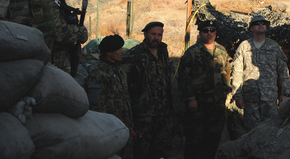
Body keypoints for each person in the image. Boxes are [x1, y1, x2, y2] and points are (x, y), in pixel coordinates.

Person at [177, 19, 232, 159]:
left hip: (216, 103)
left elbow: (226, 71)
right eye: (205, 30)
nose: (209, 33)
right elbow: (183, 77)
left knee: (213, 138)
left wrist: (226, 92)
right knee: (194, 138)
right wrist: (190, 98)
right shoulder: (192, 52)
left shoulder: (221, 51)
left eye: (212, 30)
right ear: (200, 33)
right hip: (198, 103)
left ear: (216, 32)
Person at [230, 15, 290, 131]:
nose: (261, 25)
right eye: (257, 23)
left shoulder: (274, 46)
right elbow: (237, 72)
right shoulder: (244, 46)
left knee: (270, 130)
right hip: (251, 98)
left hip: (270, 99)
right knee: (250, 131)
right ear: (251, 28)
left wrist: (285, 93)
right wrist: (238, 96)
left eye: (263, 23)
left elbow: (283, 72)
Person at [124, 21, 174, 159]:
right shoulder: (135, 55)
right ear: (145, 34)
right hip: (144, 114)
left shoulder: (163, 52)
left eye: (159, 35)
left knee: (162, 150)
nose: (156, 38)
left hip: (164, 112)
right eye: (153, 34)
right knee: (143, 151)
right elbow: (127, 85)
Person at [85, 34, 133, 158]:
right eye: (118, 49)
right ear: (109, 52)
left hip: (124, 126)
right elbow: (95, 106)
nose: (122, 51)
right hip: (109, 128)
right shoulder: (97, 73)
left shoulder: (120, 70)